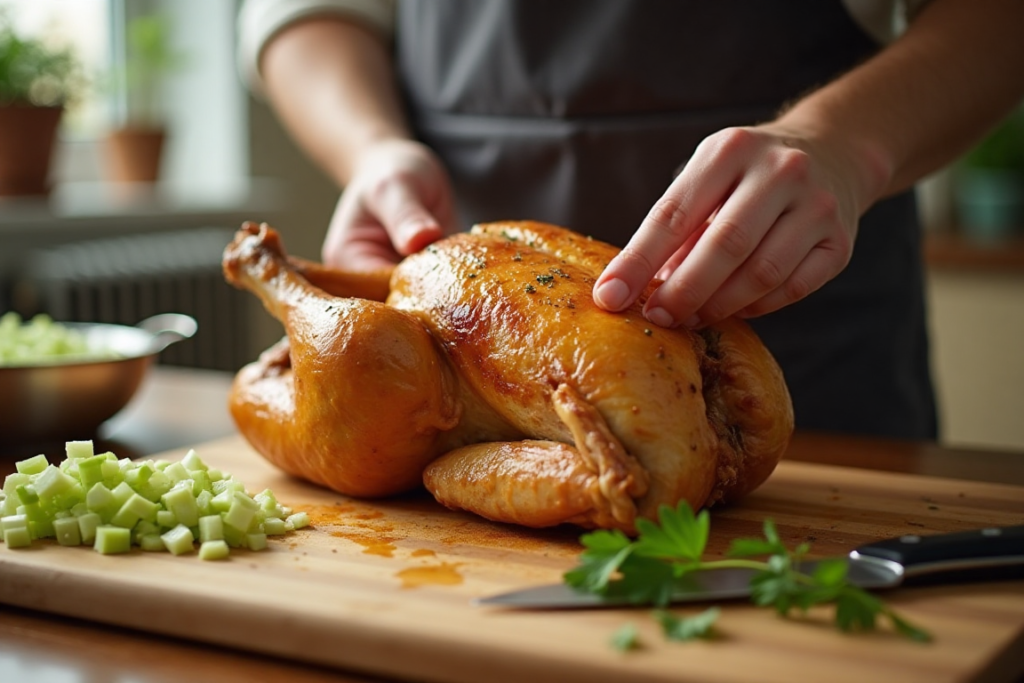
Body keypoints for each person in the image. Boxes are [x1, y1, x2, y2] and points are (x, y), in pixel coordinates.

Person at [237, 0, 1024, 440]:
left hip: (806, 352)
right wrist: (372, 149)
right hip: (461, 352)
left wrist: (845, 146)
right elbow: (306, 13)